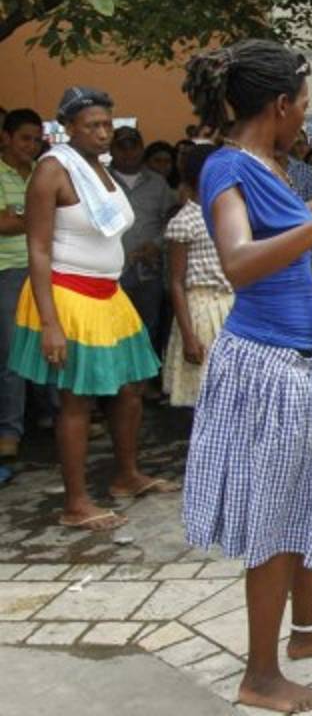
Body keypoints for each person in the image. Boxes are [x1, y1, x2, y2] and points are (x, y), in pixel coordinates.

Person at [181, 40, 312, 712]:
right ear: (279, 105)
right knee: (275, 519)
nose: (308, 119)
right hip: (264, 368)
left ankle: (306, 632)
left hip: (293, 363)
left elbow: (290, 226)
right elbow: (240, 262)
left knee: (308, 498)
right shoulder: (225, 169)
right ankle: (260, 675)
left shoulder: (264, 166)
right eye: (304, 105)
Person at [9, 87, 165, 530]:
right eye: (92, 126)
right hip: (67, 295)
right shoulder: (52, 171)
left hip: (108, 295)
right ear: (68, 128)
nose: (102, 133)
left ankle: (126, 475)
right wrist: (51, 323)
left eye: (107, 125)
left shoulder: (103, 170)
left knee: (132, 386)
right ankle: (75, 503)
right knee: (76, 400)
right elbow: (37, 249)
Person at [162, 144, 232, 408]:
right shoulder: (184, 221)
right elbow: (176, 282)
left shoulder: (228, 212)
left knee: (233, 391)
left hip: (232, 306)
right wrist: (188, 335)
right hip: (201, 312)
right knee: (207, 394)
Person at [0, 108, 44, 474]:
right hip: (9, 272)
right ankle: (10, 432)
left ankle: (53, 414)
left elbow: (19, 220)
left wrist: (23, 219)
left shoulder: (41, 173)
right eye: (24, 138)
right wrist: (39, 218)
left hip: (43, 268)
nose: (31, 145)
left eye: (36, 138)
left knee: (51, 344)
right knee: (13, 353)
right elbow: (2, 223)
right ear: (7, 137)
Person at [108, 125, 177, 358]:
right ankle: (118, 385)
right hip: (113, 269)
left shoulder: (158, 183)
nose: (128, 153)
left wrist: (156, 244)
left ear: (141, 149)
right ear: (112, 149)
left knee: (149, 326)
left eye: (133, 147)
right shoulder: (101, 181)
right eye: (122, 147)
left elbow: (173, 220)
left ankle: (144, 384)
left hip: (149, 268)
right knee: (113, 328)